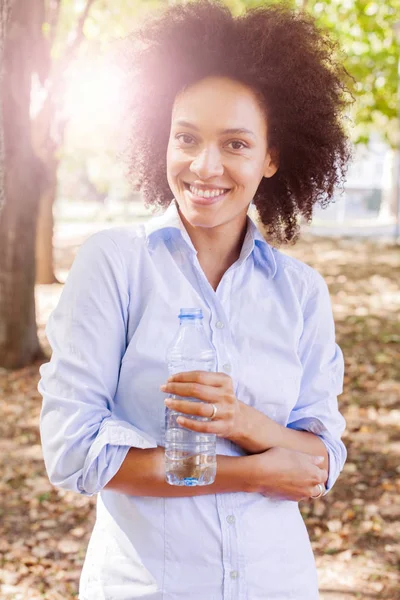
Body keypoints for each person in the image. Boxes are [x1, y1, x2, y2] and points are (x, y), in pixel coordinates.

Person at [38, 1, 351, 598]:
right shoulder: (115, 264)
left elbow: (322, 460)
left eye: (235, 144)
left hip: (276, 583)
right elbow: (74, 452)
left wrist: (244, 422)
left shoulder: (301, 292)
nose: (204, 165)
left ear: (272, 156)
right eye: (186, 137)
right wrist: (254, 468)